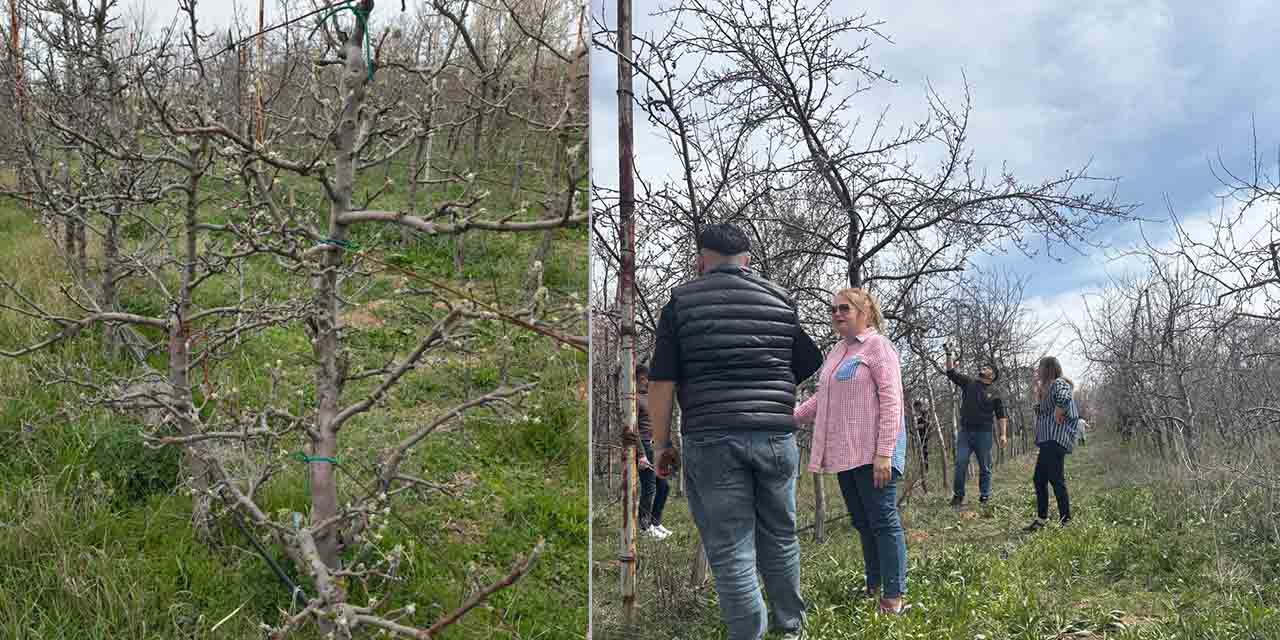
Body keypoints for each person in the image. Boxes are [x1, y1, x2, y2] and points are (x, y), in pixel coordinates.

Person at [647, 223, 823, 640]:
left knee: (731, 549)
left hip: (712, 436)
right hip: (775, 435)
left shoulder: (681, 303)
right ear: (747, 261)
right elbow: (809, 360)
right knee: (781, 536)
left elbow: (662, 382)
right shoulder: (781, 299)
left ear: (700, 261)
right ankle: (790, 629)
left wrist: (662, 444)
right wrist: (769, 390)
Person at [794, 288, 909, 616]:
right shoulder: (837, 352)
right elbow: (823, 398)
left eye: (844, 308)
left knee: (883, 522)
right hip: (846, 454)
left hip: (875, 454)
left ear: (865, 312)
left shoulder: (878, 347)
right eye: (833, 310)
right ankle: (874, 585)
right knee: (862, 522)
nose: (837, 314)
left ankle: (893, 596)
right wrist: (791, 417)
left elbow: (892, 401)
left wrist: (884, 453)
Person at [944, 346, 1008, 508]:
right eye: (983, 367)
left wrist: (1003, 434)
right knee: (960, 463)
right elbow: (951, 372)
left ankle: (984, 496)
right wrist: (949, 353)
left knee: (985, 467)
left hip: (984, 434)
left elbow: (1001, 415)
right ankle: (958, 496)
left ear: (992, 375)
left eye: (987, 367)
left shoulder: (995, 392)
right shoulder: (969, 382)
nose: (983, 368)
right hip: (965, 433)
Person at [1024, 356, 1080, 531]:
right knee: (1040, 479)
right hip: (1048, 440)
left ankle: (1066, 521)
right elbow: (1044, 410)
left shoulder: (1058, 383)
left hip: (1055, 439)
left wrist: (1058, 411)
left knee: (1056, 479)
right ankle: (1042, 519)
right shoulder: (1047, 388)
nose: (1037, 370)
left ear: (1047, 368)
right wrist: (1039, 395)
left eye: (1040, 367)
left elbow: (1064, 397)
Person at [635, 363, 672, 540]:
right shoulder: (634, 399)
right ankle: (644, 527)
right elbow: (632, 429)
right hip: (643, 446)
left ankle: (655, 522)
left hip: (655, 446)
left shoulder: (648, 397)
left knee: (664, 487)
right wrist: (641, 454)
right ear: (642, 379)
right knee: (649, 488)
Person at [911, 399, 931, 473]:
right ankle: (920, 470)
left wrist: (919, 426)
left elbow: (927, 424)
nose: (916, 409)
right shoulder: (914, 415)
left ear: (919, 406)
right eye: (915, 408)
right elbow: (912, 427)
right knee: (919, 453)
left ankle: (926, 470)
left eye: (916, 407)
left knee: (924, 452)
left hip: (924, 436)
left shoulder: (925, 413)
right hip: (918, 436)